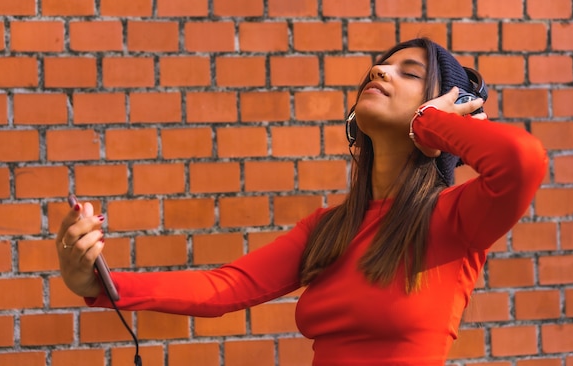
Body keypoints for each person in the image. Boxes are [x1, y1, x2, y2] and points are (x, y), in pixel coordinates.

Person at [56, 37, 547, 365]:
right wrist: (101, 282)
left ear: (443, 104)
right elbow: (223, 288)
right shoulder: (329, 229)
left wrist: (429, 126)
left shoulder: (455, 218)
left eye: (410, 72)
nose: (379, 69)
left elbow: (521, 160)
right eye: (382, 64)